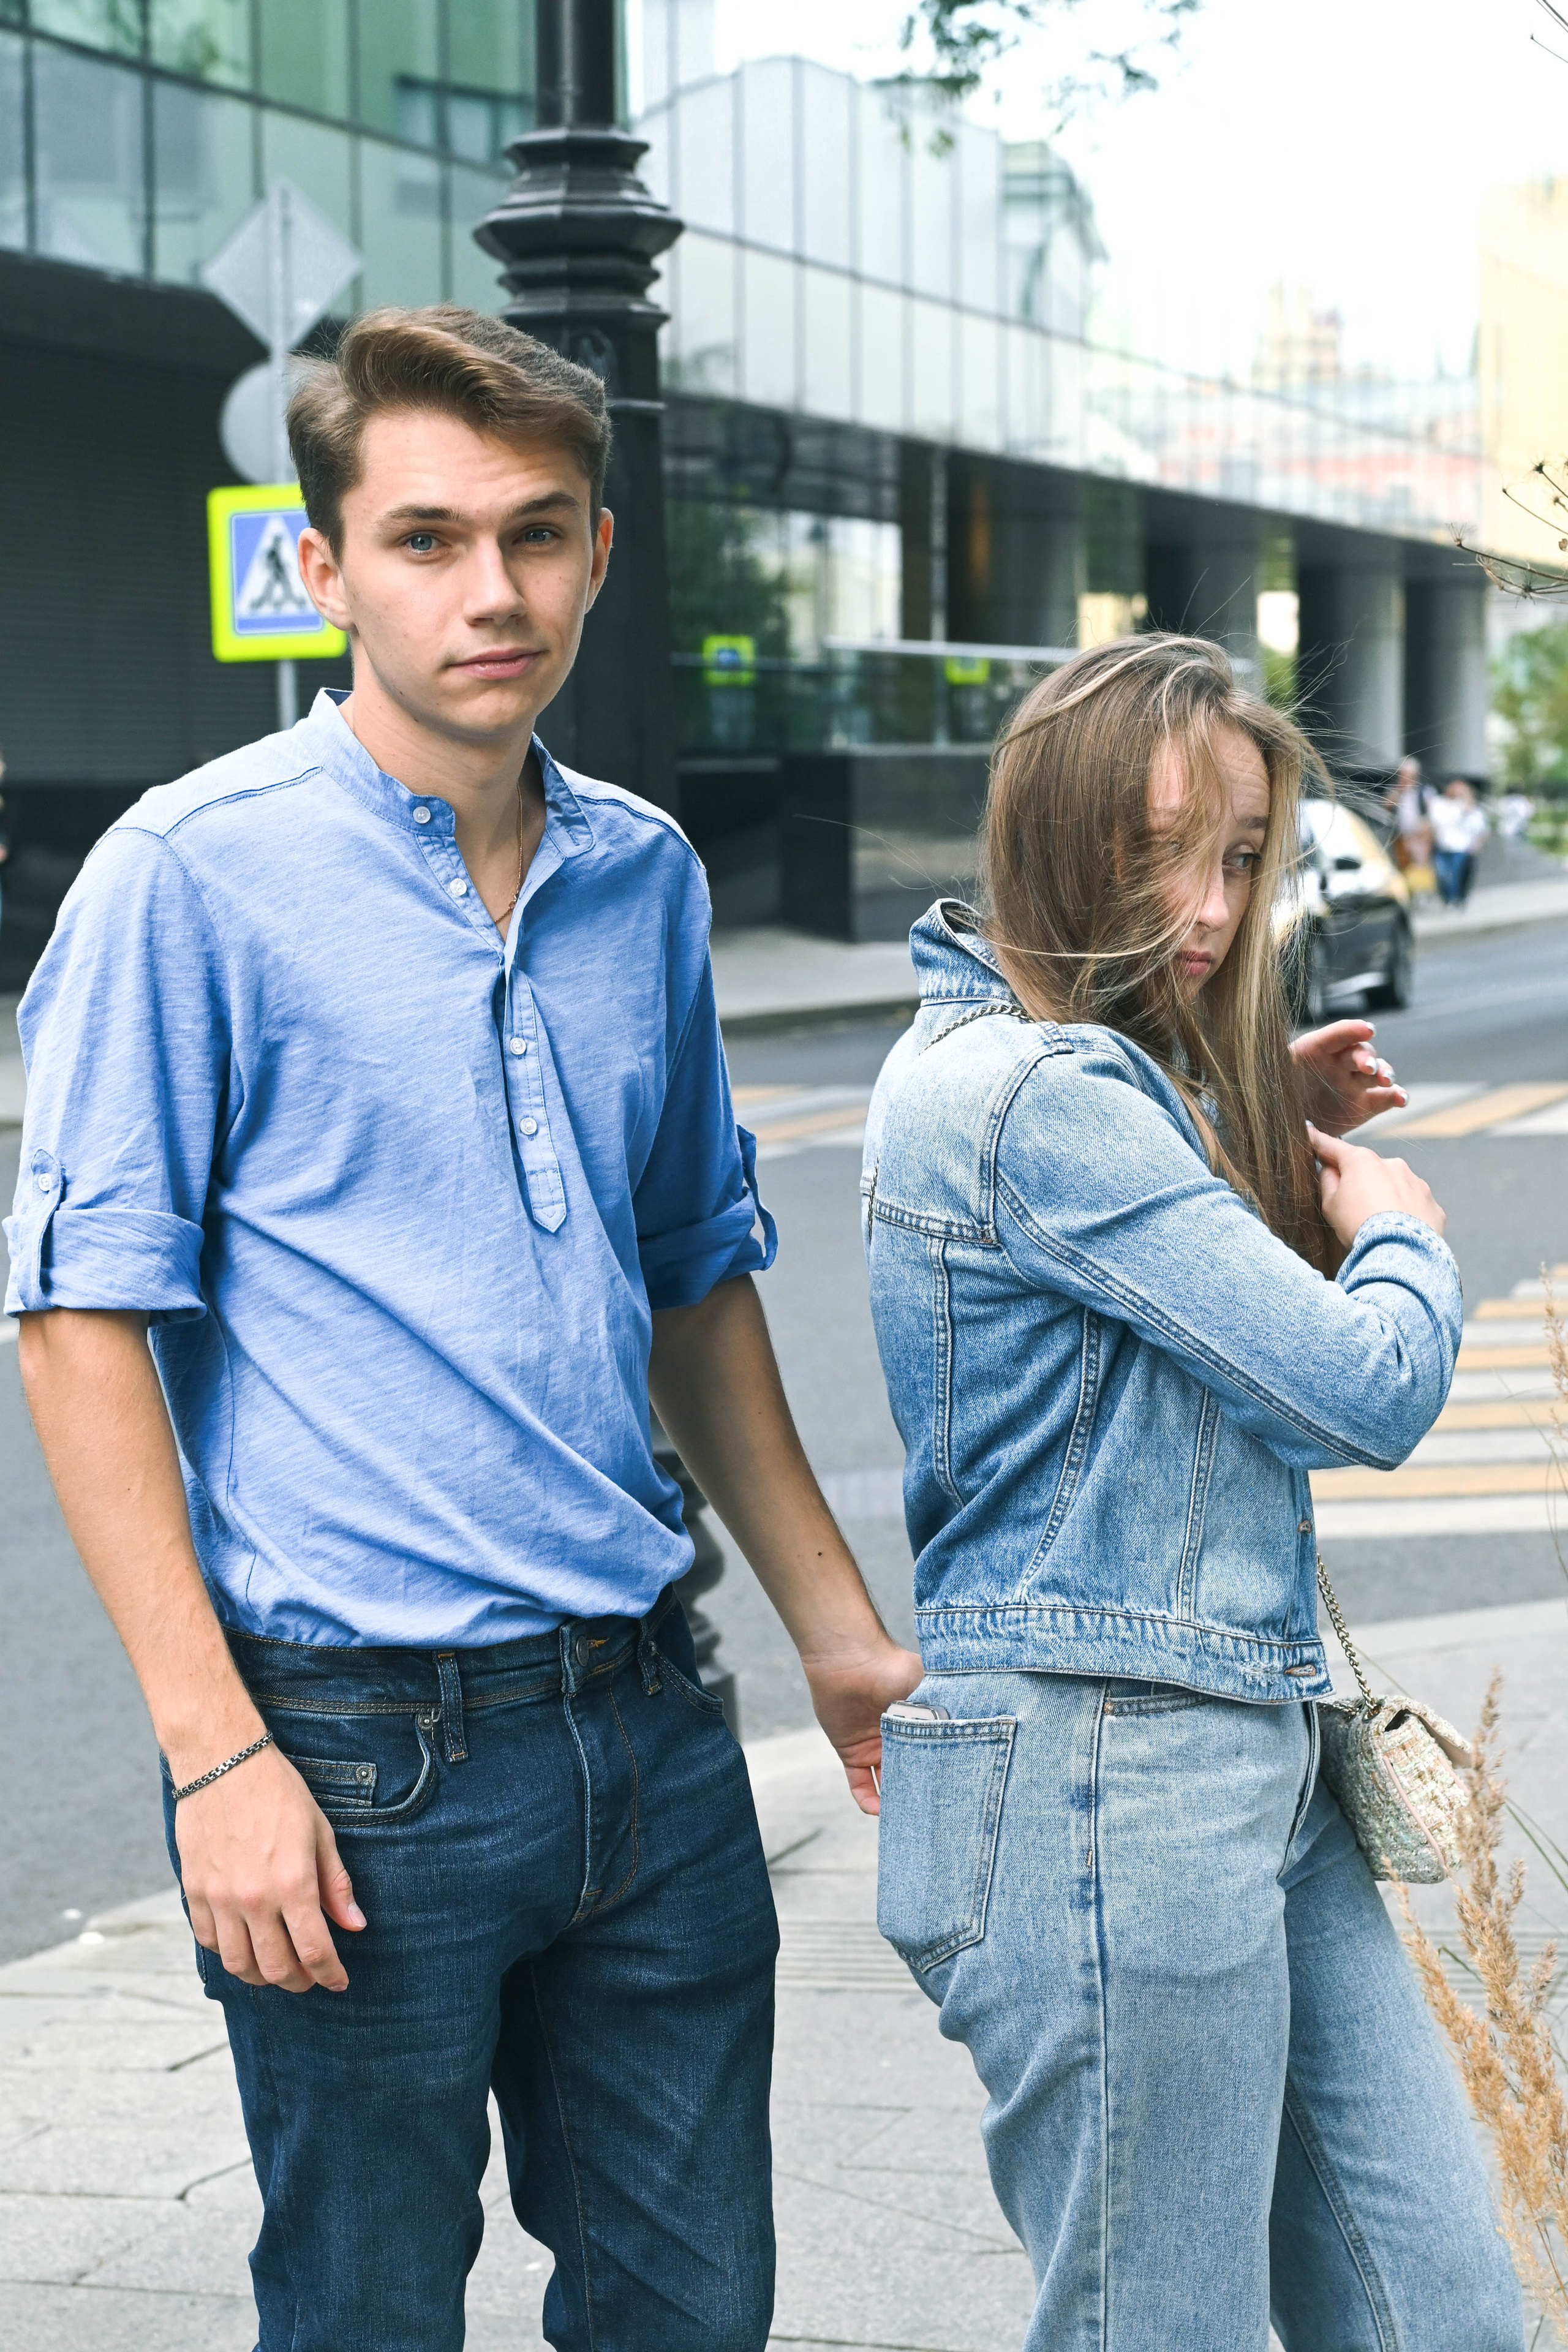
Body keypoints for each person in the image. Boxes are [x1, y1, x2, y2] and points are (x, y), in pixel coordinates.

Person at [7, 306, 920, 2352]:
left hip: (651, 1730)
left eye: (537, 532)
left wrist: (835, 1632)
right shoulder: (191, 879)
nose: (489, 589)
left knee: (692, 2314)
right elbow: (77, 1327)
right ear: (321, 567)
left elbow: (693, 1271)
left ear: (600, 551)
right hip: (349, 1761)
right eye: (425, 537)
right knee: (365, 2313)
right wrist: (214, 1751)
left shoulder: (647, 881)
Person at [862, 635, 1520, 2350]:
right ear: (1055, 832)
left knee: (1439, 2314)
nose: (1212, 906)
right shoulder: (1040, 1092)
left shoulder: (1075, 1083)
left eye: (1239, 854)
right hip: (1106, 1784)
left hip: (1247, 1764)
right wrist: (1399, 1240)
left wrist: (1225, 1143)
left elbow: (1145, 1317)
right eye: (1159, 848)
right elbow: (1354, 1390)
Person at [1431, 776, 1490, 907]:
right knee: (1443, 877)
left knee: (1456, 876)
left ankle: (1455, 900)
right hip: (1443, 846)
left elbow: (1480, 828)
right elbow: (1436, 822)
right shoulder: (1440, 804)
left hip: (1461, 848)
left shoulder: (1469, 808)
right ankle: (1448, 899)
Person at [1384, 751, 1433, 895]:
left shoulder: (1423, 790)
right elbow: (1387, 806)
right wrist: (1400, 790)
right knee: (1403, 864)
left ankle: (1422, 892)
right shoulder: (1396, 789)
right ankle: (1408, 892)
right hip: (1401, 834)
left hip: (1419, 835)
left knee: (1420, 865)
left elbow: (1431, 811)